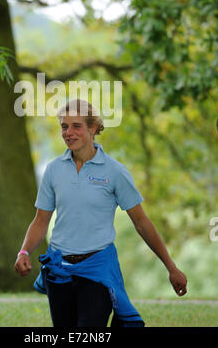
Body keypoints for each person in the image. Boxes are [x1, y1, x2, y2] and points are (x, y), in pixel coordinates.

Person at [14, 99, 187, 327]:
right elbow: (40, 221)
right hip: (59, 270)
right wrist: (24, 251)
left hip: (98, 270)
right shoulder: (54, 170)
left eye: (76, 126)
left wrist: (171, 267)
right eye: (64, 126)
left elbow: (142, 223)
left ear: (93, 128)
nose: (69, 132)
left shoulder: (114, 171)